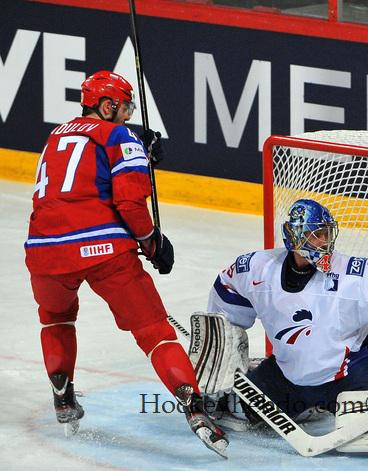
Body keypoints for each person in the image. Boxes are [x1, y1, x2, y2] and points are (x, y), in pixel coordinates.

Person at [24, 71, 227, 457]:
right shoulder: (118, 135)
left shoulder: (56, 136)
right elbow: (130, 204)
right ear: (106, 105)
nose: (127, 114)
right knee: (155, 332)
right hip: (103, 250)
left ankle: (63, 398)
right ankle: (195, 408)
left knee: (56, 318)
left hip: (44, 251)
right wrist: (153, 243)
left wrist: (137, 147)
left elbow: (82, 173)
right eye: (123, 106)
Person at [206, 198, 368, 421]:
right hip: (287, 376)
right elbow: (227, 288)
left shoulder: (351, 273)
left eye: (327, 233)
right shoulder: (259, 268)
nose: (325, 241)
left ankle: (323, 404)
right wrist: (225, 350)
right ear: (295, 236)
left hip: (351, 375)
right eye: (317, 234)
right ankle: (301, 401)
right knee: (230, 408)